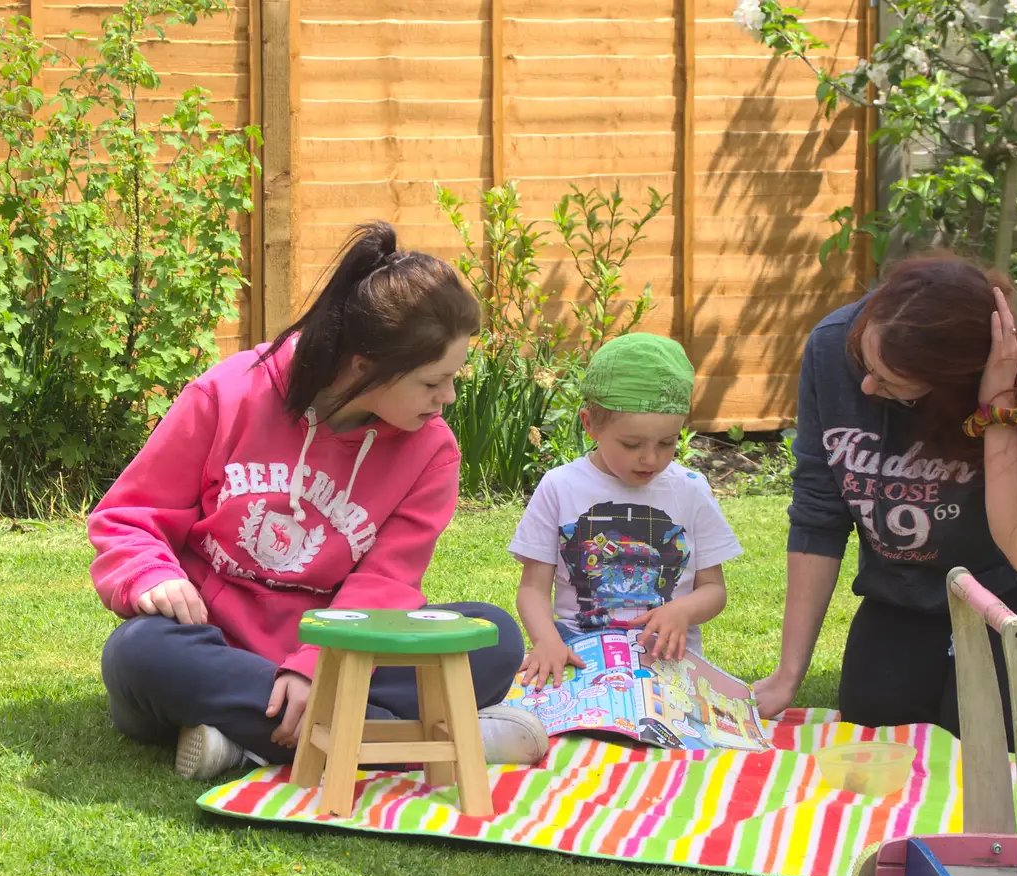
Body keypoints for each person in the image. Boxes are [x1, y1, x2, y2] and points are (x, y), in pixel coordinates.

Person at [90, 222, 548, 781]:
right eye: (433, 382)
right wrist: (149, 575)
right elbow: (127, 516)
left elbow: (385, 582)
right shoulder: (229, 394)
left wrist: (316, 667)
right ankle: (422, 742)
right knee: (139, 655)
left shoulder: (431, 453)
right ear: (363, 368)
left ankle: (243, 740)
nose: (447, 398)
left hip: (343, 650)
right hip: (213, 642)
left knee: (492, 638)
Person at [751, 254, 1017, 744]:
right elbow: (819, 513)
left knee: (998, 733)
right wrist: (787, 674)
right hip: (910, 589)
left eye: (889, 384)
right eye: (863, 361)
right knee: (879, 729)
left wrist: (997, 408)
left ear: (951, 382)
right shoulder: (830, 345)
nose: (864, 385)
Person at [509, 333, 742, 687]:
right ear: (589, 424)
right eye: (632, 444)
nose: (651, 458)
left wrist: (681, 610)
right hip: (579, 656)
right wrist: (547, 641)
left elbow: (715, 590)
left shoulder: (690, 490)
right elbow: (532, 589)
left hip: (669, 664)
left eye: (667, 443)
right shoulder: (560, 487)